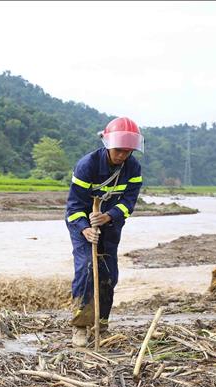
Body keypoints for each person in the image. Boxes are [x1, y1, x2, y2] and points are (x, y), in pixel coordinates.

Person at [65, 117, 144, 347]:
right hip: (84, 226)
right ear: (108, 144)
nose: (122, 155)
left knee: (109, 274)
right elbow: (73, 207)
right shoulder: (86, 165)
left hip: (110, 226)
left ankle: (102, 323)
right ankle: (80, 326)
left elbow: (128, 203)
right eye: (119, 150)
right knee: (87, 268)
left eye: (127, 151)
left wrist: (109, 216)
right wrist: (85, 230)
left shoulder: (133, 167)